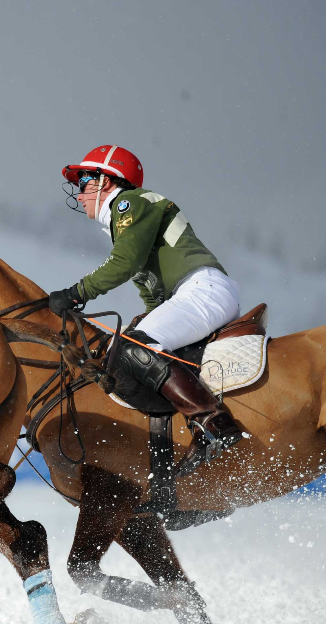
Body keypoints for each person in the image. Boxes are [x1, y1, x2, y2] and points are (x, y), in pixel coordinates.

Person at [49, 145, 242, 477]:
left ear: (106, 181)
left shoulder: (130, 204)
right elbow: (153, 297)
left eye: (83, 182)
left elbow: (126, 262)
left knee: (137, 347)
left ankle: (213, 422)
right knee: (128, 347)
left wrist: (76, 293)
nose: (79, 195)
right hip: (196, 291)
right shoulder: (125, 221)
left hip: (203, 289)